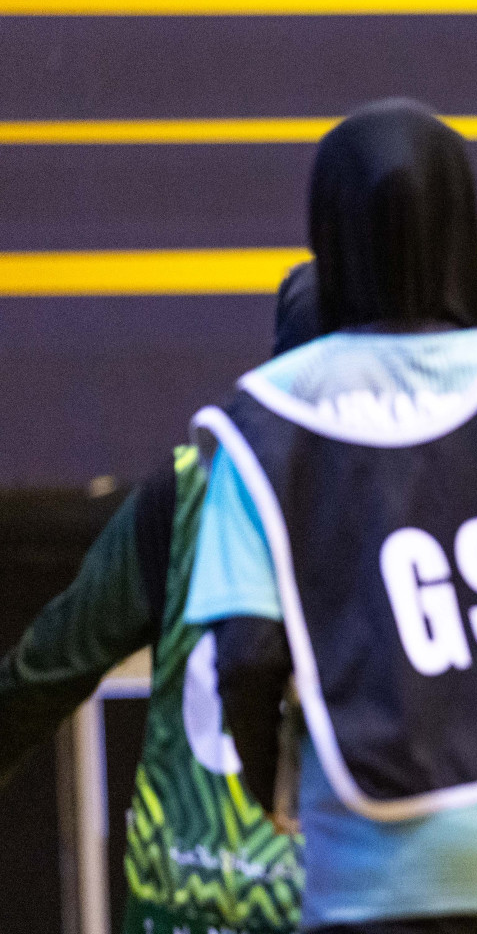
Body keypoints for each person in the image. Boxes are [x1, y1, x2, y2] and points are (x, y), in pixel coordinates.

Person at [183, 99, 477, 934]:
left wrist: (275, 790)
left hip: (376, 869)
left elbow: (249, 657)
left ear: (325, 232)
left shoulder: (262, 420)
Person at [0, 263, 318, 934]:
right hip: (355, 908)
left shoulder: (189, 491)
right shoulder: (424, 505)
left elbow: (40, 676)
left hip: (183, 910)